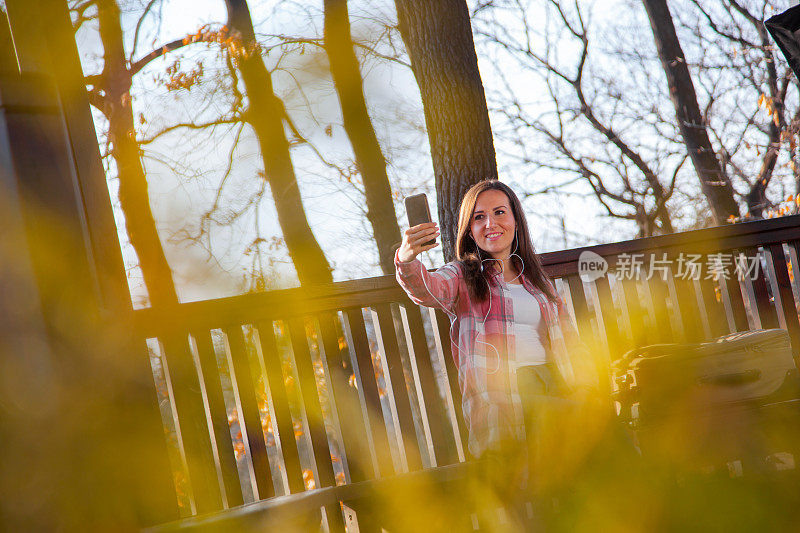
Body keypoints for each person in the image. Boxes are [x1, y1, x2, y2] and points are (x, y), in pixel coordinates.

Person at [395, 180, 586, 527]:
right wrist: (408, 257)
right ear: (469, 230)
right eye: (479, 217)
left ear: (515, 220)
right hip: (507, 399)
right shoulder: (464, 276)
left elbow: (571, 346)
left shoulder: (538, 282)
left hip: (555, 389)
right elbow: (426, 289)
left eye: (500, 212)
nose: (490, 223)